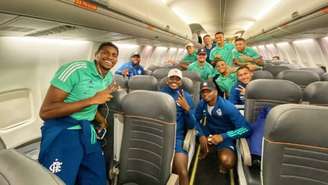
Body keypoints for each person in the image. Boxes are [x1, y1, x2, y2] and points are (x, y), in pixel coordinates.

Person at [38, 42, 119, 185]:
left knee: (97, 177)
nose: (109, 57)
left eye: (114, 55)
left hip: (87, 130)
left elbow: (91, 107)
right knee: (58, 180)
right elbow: (46, 111)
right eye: (105, 52)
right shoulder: (75, 70)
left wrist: (101, 119)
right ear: (96, 55)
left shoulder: (108, 78)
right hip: (64, 129)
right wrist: (92, 100)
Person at [195, 81, 251, 173]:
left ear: (216, 92)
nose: (205, 94)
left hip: (225, 135)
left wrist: (223, 136)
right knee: (195, 134)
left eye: (209, 91)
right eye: (203, 92)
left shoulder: (228, 107)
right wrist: (201, 134)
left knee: (227, 161)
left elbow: (247, 129)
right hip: (209, 131)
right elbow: (195, 120)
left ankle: (220, 155)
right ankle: (208, 147)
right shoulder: (202, 103)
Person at [160, 68, 196, 185]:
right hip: (159, 135)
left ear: (181, 82)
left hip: (177, 138)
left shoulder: (186, 97)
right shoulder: (159, 94)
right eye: (172, 78)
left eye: (177, 79)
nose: (174, 81)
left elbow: (192, 125)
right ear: (167, 80)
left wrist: (187, 109)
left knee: (182, 172)